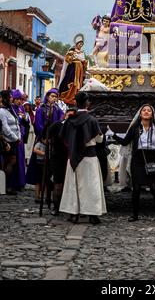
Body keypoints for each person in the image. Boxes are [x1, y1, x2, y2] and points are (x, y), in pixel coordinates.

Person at [112, 104, 155, 223]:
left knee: (154, 188)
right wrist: (113, 135)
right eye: (144, 110)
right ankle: (135, 214)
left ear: (152, 114)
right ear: (140, 114)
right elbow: (125, 141)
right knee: (136, 188)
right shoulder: (135, 128)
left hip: (152, 158)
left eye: (149, 111)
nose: (146, 112)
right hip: (137, 159)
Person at [59, 92, 107, 224]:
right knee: (91, 186)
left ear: (75, 102)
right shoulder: (92, 120)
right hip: (89, 158)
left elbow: (63, 137)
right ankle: (92, 214)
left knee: (73, 185)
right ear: (87, 103)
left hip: (73, 157)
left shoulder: (70, 120)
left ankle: (73, 213)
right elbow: (99, 139)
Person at [0, 90, 21, 195]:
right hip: (7, 141)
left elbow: (16, 123)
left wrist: (19, 136)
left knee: (8, 162)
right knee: (10, 161)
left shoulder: (10, 109)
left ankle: (4, 185)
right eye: (10, 97)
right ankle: (6, 186)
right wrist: (15, 138)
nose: (12, 98)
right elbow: (5, 128)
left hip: (14, 140)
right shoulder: (2, 111)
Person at [58, 34, 87, 105]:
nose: (80, 45)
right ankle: (70, 96)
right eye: (80, 44)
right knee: (72, 82)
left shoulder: (82, 53)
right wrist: (72, 58)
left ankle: (75, 95)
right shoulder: (72, 51)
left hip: (80, 70)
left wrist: (84, 63)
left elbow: (84, 62)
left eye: (82, 44)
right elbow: (67, 59)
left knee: (78, 84)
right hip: (73, 69)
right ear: (76, 44)